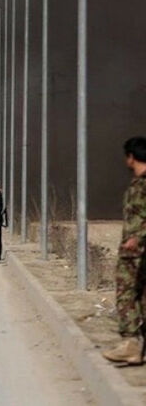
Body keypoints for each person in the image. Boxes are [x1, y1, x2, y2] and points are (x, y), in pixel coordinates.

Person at [103, 137, 146, 365]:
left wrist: (137, 237)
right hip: (136, 250)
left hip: (136, 252)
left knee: (127, 294)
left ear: (131, 157)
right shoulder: (137, 183)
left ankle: (130, 344)